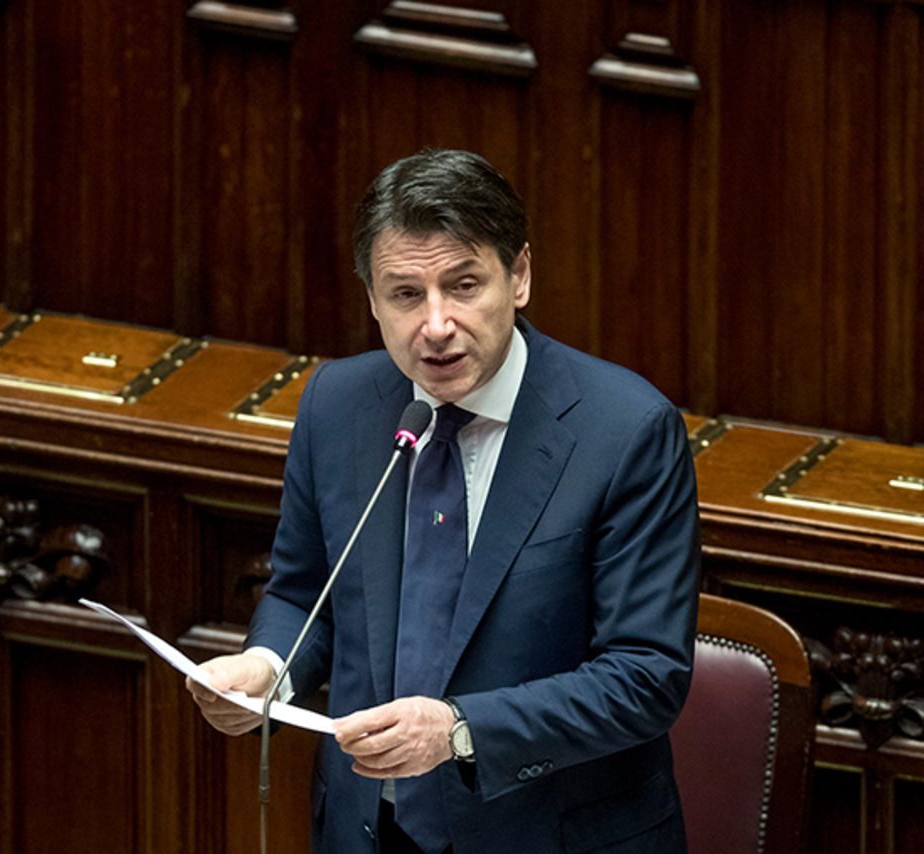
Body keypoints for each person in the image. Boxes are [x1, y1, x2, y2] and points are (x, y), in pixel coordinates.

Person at [186, 149, 700, 854]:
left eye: (462, 286)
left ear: (518, 275)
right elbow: (306, 593)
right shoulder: (338, 406)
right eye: (405, 294)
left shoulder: (624, 431)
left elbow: (644, 675)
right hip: (370, 829)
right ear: (370, 298)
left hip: (548, 836)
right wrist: (268, 667)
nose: (435, 324)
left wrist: (457, 729)